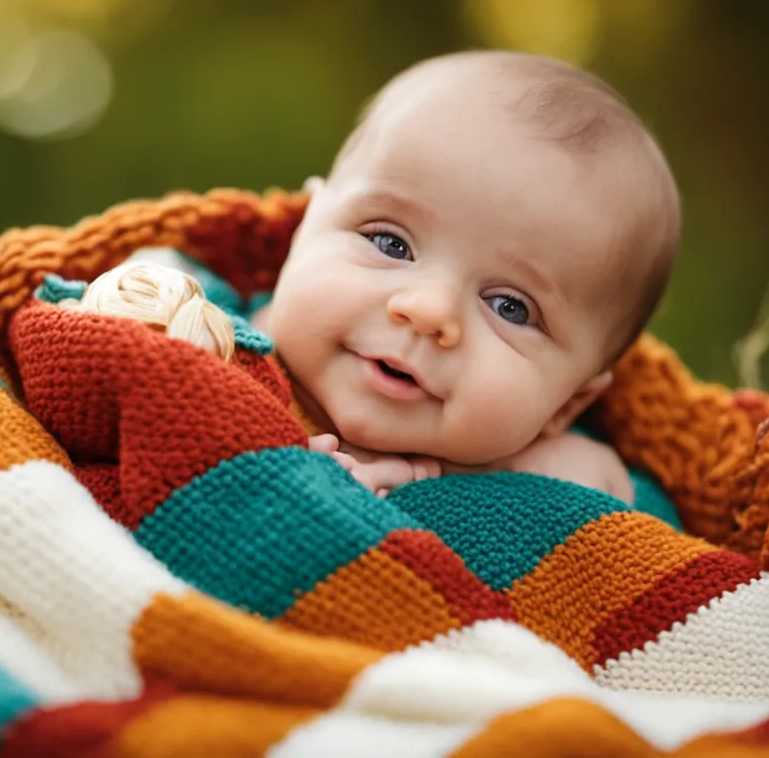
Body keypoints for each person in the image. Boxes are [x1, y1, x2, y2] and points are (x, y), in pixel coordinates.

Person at [252, 49, 682, 502]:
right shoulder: (198, 333)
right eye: (390, 244)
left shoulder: (561, 481)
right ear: (304, 227)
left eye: (509, 308)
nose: (428, 310)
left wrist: (540, 494)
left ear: (568, 403)